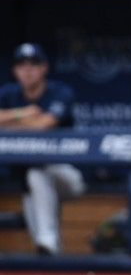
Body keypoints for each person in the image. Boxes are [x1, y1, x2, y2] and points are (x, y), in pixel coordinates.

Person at [0, 43, 85, 256]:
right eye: (22, 65)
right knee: (43, 244)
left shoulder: (60, 92)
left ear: (44, 68)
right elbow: (33, 121)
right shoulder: (9, 95)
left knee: (38, 174)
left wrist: (7, 122)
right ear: (14, 70)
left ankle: (49, 240)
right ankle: (52, 254)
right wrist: (22, 114)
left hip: (66, 174)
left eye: (34, 64)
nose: (28, 70)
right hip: (30, 186)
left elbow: (44, 124)